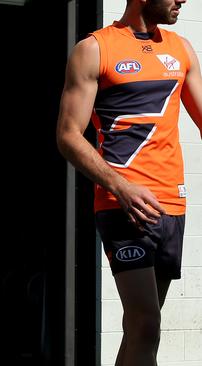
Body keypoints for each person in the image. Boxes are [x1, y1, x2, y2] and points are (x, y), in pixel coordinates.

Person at [56, 0, 202, 365]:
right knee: (146, 323)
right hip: (124, 205)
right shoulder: (95, 48)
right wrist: (120, 187)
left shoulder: (181, 48)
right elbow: (68, 135)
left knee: (140, 328)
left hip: (172, 204)